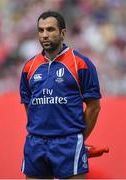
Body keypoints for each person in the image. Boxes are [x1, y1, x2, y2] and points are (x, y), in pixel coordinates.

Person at [20, 11, 102, 179]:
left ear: (63, 33)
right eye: (41, 30)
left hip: (68, 143)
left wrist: (79, 139)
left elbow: (94, 107)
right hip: (35, 143)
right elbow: (29, 106)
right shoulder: (29, 67)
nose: (45, 35)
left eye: (50, 29)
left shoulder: (81, 64)